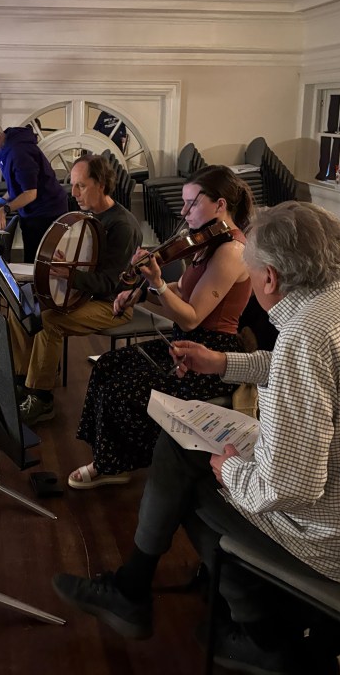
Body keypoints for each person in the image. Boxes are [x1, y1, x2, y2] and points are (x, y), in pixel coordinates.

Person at [52, 201, 340, 674]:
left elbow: (288, 488)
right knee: (184, 455)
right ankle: (144, 592)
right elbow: (293, 371)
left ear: (270, 278)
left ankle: (262, 635)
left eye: (251, 278)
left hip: (337, 545)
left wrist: (231, 471)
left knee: (186, 471)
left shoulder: (306, 334)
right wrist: (223, 363)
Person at [69, 165, 254, 490]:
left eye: (192, 203)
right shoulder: (208, 243)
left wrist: (156, 281)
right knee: (106, 366)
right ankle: (111, 459)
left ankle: (125, 463)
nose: (183, 212)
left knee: (122, 387)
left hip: (211, 358)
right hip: (185, 343)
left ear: (221, 205)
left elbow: (192, 316)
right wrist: (141, 296)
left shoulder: (232, 251)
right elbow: (180, 296)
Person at [10, 154, 142, 424]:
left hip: (113, 304)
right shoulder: (90, 216)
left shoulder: (121, 226)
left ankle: (41, 398)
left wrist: (68, 275)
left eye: (81, 185)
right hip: (85, 295)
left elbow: (109, 284)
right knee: (21, 306)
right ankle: (20, 382)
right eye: (73, 185)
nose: (74, 192)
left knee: (49, 321)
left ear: (102, 184)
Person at [0, 112, 68, 263]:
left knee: (38, 263)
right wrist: (0, 201)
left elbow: (30, 193)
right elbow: (16, 185)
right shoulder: (4, 146)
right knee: (32, 259)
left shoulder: (19, 153)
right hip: (35, 210)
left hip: (46, 213)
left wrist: (5, 209)